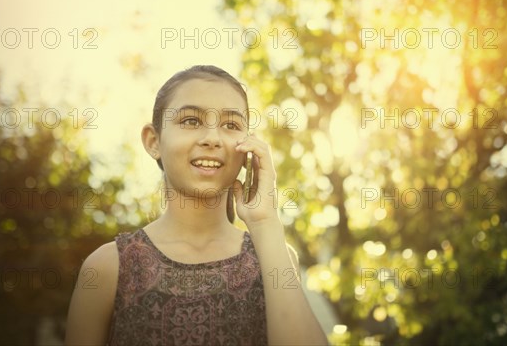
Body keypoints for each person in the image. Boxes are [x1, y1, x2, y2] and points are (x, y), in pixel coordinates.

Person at [65, 65, 328, 345]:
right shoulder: (108, 267)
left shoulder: (274, 256)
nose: (212, 139)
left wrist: (266, 223)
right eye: (191, 121)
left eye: (231, 125)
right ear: (153, 141)